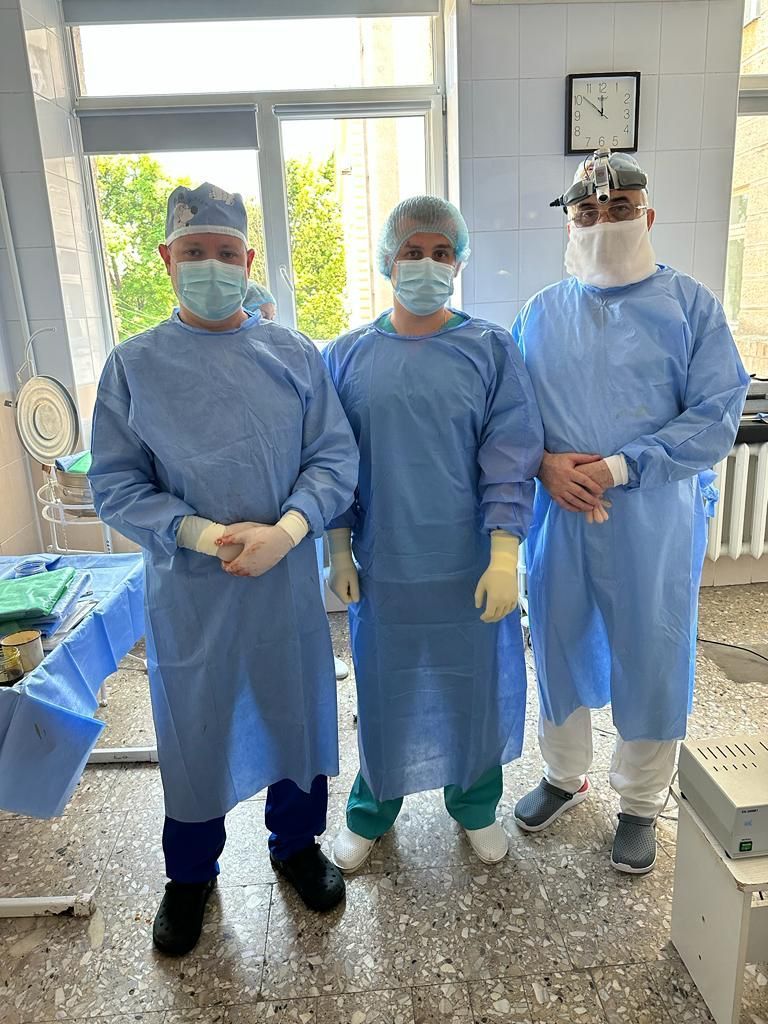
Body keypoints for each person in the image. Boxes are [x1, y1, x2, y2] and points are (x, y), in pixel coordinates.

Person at [89, 182, 358, 955]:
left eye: (226, 252)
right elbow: (116, 483)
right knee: (195, 729)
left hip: (282, 585)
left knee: (293, 710)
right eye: (195, 251)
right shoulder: (135, 366)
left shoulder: (294, 355)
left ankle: (296, 846)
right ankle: (190, 875)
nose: (211, 264)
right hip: (191, 593)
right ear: (167, 258)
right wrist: (203, 535)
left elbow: (333, 457)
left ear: (248, 260)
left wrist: (291, 528)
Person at [512, 151, 750, 874]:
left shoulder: (690, 307)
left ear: (647, 216)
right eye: (587, 213)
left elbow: (716, 414)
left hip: (652, 517)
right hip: (560, 513)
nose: (603, 223)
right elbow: (510, 417)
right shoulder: (540, 313)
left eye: (619, 210)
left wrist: (620, 466)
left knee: (652, 650)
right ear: (569, 225)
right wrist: (546, 463)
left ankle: (642, 801)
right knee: (558, 640)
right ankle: (563, 775)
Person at [323, 196, 544, 872]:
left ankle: (475, 806)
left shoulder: (489, 349)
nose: (427, 264)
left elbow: (510, 453)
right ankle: (372, 809)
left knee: (471, 687)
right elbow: (333, 460)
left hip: (469, 561)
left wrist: (504, 553)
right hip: (386, 563)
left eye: (441, 253)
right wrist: (338, 547)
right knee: (383, 691)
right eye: (412, 252)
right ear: (387, 262)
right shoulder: (348, 355)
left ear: (459, 261)